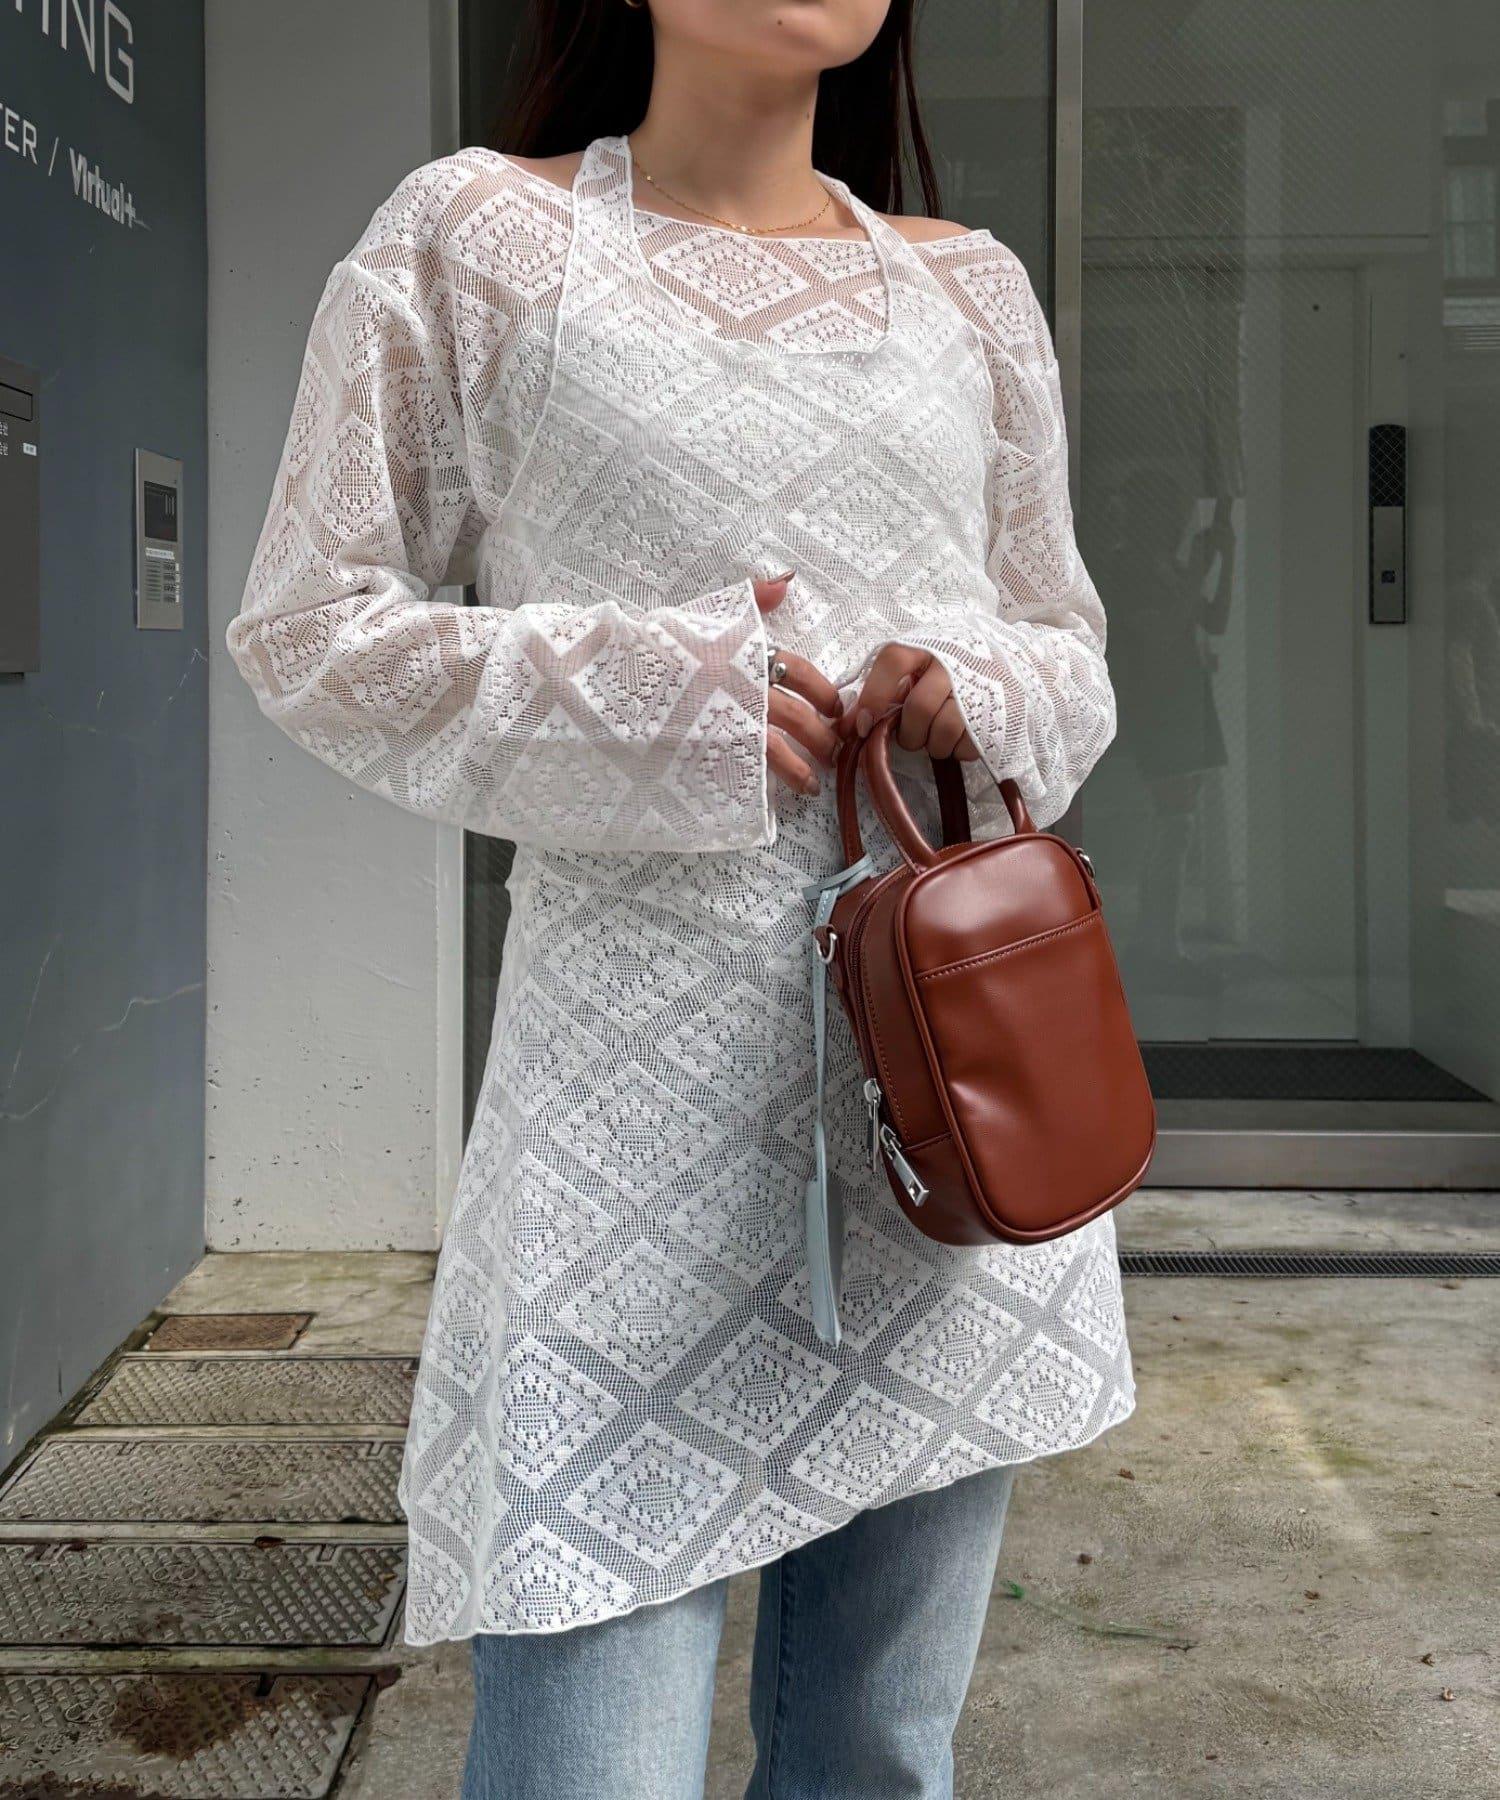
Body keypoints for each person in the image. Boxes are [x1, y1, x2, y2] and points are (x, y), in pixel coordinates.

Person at [227, 3, 1131, 1794]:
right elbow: (310, 627)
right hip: (624, 1124)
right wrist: (652, 691)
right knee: (590, 1761)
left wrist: (981, 685)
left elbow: (1072, 652)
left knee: (880, 1750)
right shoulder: (476, 234)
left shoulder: (971, 288)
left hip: (943, 1102)